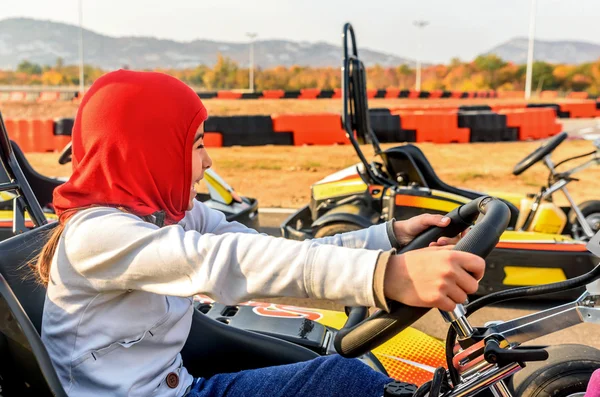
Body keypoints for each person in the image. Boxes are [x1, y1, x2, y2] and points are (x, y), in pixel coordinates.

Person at [35, 70, 485, 397]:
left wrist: (388, 240)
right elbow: (227, 264)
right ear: (147, 153)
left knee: (343, 377)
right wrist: (382, 277)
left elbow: (276, 252)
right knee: (341, 382)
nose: (207, 163)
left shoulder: (165, 215)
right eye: (195, 146)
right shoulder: (98, 236)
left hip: (179, 386)